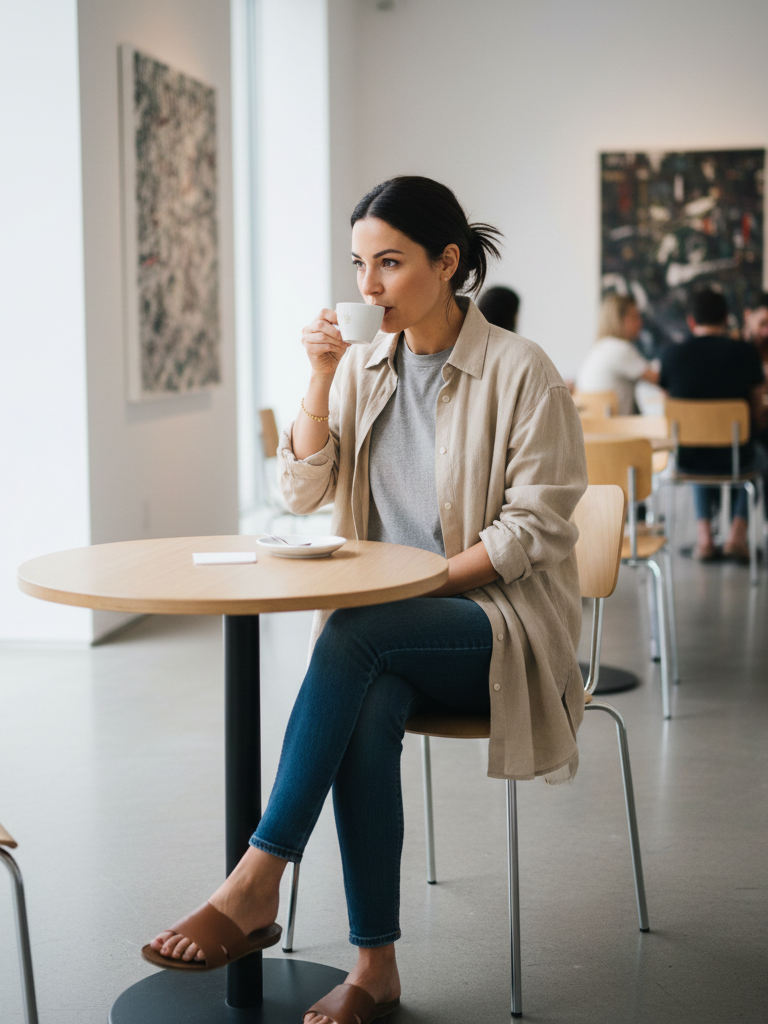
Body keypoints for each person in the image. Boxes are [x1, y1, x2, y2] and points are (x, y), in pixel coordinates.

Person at [142, 176, 588, 1024]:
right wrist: (318, 376)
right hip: (390, 638)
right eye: (358, 265)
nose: (368, 287)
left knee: (355, 633)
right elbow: (304, 490)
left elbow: (530, 533)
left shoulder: (520, 370)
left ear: (447, 263)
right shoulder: (363, 365)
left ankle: (255, 881)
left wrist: (415, 583)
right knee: (368, 693)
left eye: (389, 263)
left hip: (500, 630)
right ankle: (374, 966)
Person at [659, 286, 767, 562]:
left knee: (699, 444)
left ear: (692, 321)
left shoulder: (671, 355)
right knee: (759, 458)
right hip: (737, 457)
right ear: (727, 319)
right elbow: (756, 406)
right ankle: (736, 536)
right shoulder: (745, 353)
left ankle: (704, 538)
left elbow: (668, 409)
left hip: (688, 459)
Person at [576, 293, 659, 415]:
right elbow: (655, 378)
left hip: (591, 429)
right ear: (619, 320)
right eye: (634, 317)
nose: (640, 322)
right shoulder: (621, 349)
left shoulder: (599, 348)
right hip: (617, 430)